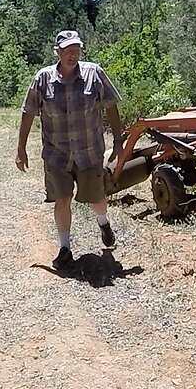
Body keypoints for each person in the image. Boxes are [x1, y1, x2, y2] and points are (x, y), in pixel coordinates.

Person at [16, 29, 124, 269]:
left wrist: (118, 142)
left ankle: (103, 223)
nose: (72, 55)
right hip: (57, 153)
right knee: (62, 199)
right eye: (67, 50)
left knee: (96, 198)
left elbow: (111, 106)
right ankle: (65, 248)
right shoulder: (43, 79)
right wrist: (21, 148)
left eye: (76, 50)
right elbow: (29, 112)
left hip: (89, 151)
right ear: (58, 52)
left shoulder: (94, 73)